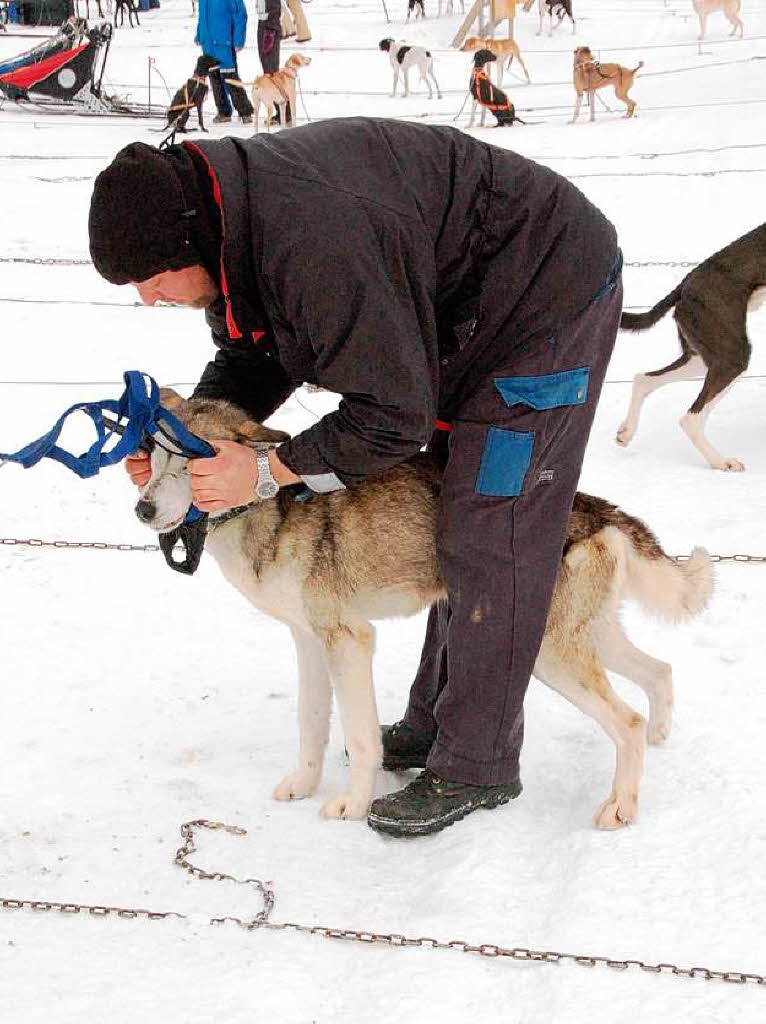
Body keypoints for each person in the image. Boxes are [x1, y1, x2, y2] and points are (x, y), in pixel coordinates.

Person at [88, 118, 622, 837]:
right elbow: (256, 361)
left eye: (150, 280)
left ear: (186, 244)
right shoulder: (239, 232)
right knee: (444, 512)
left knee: (492, 520)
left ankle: (479, 762)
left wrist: (268, 470)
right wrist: (188, 446)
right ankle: (439, 725)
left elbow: (393, 417)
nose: (147, 299)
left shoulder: (314, 242)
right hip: (447, 320)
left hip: (544, 298)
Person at [195, 0, 254, 125]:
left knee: (230, 77)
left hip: (224, 41)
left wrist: (238, 40)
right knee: (214, 78)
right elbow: (202, 16)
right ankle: (223, 111)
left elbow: (240, 15)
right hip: (208, 43)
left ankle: (245, 111)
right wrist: (200, 34)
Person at [256, 0, 286, 123]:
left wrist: (269, 26)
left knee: (272, 73)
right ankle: (281, 111)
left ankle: (283, 111)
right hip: (266, 24)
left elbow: (276, 9)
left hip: (269, 26)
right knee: (269, 71)